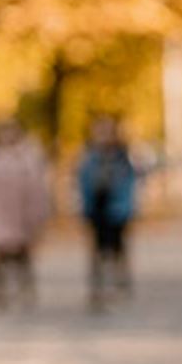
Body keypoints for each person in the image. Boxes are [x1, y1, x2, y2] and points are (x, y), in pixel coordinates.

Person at [0, 120, 49, 311]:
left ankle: (25, 289)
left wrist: (37, 215)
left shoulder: (28, 158)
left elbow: (37, 190)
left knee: (22, 255)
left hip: (21, 216)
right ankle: (0, 291)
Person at [77, 115, 138, 311]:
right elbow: (82, 183)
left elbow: (130, 185)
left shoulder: (122, 157)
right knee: (97, 250)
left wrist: (127, 208)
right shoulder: (89, 157)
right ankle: (98, 286)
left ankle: (118, 282)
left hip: (117, 209)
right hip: (96, 209)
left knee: (117, 248)